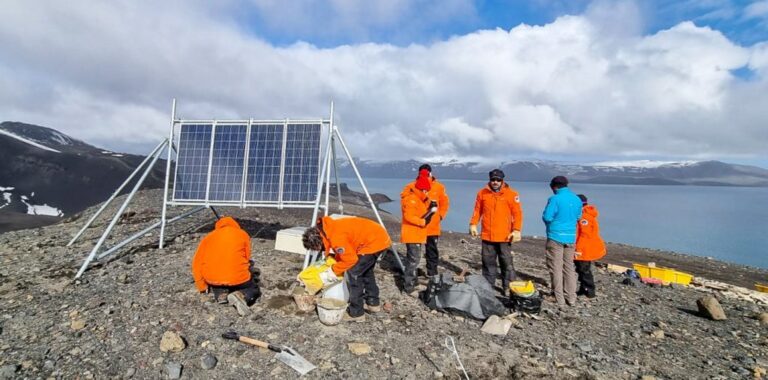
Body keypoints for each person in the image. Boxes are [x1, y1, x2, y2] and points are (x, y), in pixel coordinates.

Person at [301, 215, 392, 322]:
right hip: (377, 236)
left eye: (320, 248)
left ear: (319, 242)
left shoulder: (336, 237)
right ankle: (373, 304)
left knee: (354, 273)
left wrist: (331, 272)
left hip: (374, 242)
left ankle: (356, 313)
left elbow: (350, 260)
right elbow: (345, 249)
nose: (322, 250)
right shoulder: (328, 229)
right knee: (366, 271)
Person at [192, 216, 261, 316]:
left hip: (213, 278)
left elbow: (196, 262)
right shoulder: (242, 234)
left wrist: (202, 286)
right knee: (253, 288)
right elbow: (246, 257)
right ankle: (242, 295)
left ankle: (221, 294)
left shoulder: (208, 237)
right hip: (237, 278)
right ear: (235, 225)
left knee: (217, 283)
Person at [469, 168, 523, 294]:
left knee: (507, 264)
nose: (495, 182)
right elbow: (477, 211)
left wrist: (516, 230)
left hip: (504, 236)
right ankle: (488, 288)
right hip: (487, 236)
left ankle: (508, 288)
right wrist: (473, 224)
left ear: (502, 180)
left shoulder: (512, 194)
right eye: (493, 179)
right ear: (490, 180)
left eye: (498, 180)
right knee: (488, 264)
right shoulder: (482, 193)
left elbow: (518, 214)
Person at [403, 164, 450, 278]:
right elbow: (405, 200)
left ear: (431, 172)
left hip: (433, 226)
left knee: (432, 250)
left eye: (427, 172)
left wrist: (440, 216)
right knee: (414, 253)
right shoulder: (411, 186)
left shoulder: (439, 187)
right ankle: (411, 276)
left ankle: (432, 273)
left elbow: (445, 203)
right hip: (417, 226)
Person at [542, 176, 582, 307]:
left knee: (556, 267)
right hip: (571, 237)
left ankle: (558, 297)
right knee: (569, 267)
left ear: (554, 186)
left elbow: (547, 217)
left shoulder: (554, 199)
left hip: (555, 236)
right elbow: (578, 216)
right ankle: (571, 298)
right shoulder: (576, 199)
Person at [400, 168, 434, 295]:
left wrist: (430, 207)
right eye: (425, 190)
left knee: (415, 260)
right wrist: (422, 222)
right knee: (413, 261)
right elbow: (409, 216)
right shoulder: (412, 199)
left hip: (417, 234)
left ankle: (413, 282)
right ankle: (408, 287)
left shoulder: (419, 199)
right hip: (412, 234)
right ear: (422, 188)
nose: (426, 192)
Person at [574, 194, 606, 299]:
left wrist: (578, 249)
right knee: (582, 269)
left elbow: (584, 235)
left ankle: (589, 291)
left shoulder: (584, 217)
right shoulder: (586, 214)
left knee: (584, 269)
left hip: (585, 248)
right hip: (586, 247)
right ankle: (584, 289)